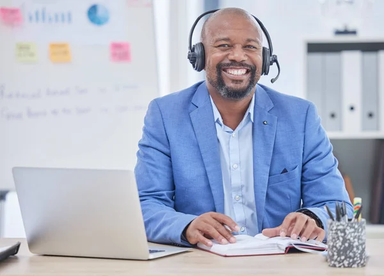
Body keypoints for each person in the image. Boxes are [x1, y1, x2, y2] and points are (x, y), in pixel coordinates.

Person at [134, 8, 352, 247]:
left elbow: (337, 206)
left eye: (250, 47)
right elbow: (145, 204)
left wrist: (314, 219)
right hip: (200, 263)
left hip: (279, 264)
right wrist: (186, 227)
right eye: (224, 45)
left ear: (266, 59)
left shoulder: (300, 117)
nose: (238, 56)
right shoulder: (166, 115)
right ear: (200, 55)